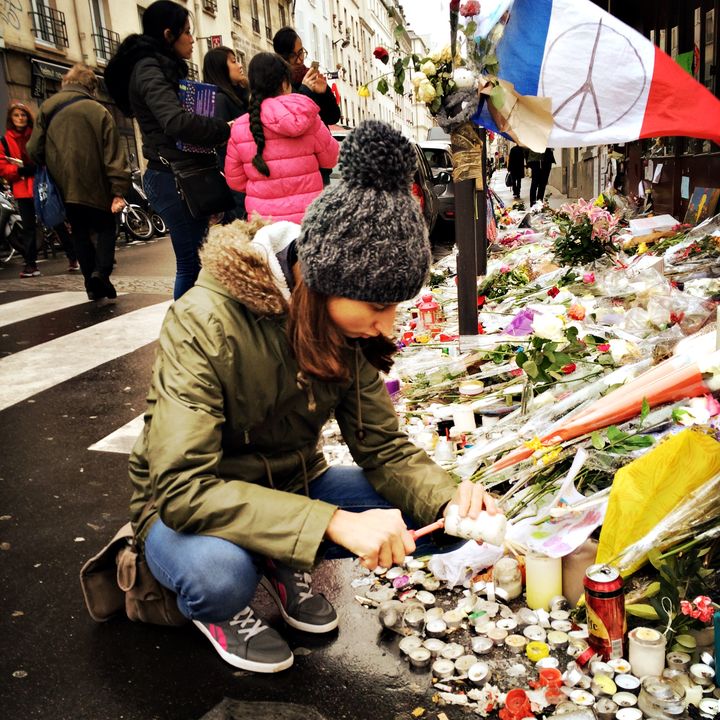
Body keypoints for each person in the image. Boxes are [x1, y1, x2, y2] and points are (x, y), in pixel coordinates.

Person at [128, 121, 497, 674]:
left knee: (445, 527)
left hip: (289, 484)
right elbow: (182, 490)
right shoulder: (204, 321)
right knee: (222, 577)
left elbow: (385, 449)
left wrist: (448, 499)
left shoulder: (345, 329)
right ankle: (225, 607)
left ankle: (280, 553)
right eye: (377, 307)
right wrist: (328, 523)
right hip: (186, 510)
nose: (385, 325)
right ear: (321, 280)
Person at [104, 0, 231, 300]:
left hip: (180, 174)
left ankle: (192, 328)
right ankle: (185, 332)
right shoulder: (149, 68)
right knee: (191, 264)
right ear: (167, 34)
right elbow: (174, 121)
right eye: (187, 32)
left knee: (196, 262)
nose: (192, 39)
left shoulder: (158, 67)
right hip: (172, 178)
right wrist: (224, 129)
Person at [27, 65, 129, 300]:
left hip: (64, 186)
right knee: (106, 228)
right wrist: (118, 189)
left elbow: (33, 149)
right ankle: (101, 273)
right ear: (90, 87)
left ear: (66, 82)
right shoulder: (99, 111)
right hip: (97, 185)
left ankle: (90, 284)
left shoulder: (47, 108)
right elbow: (113, 155)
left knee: (80, 233)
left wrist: (51, 161)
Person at [224, 52, 339, 223]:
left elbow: (235, 181)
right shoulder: (308, 117)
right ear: (285, 83)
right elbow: (331, 158)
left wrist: (263, 185)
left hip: (264, 225)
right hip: (308, 222)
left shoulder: (240, 127)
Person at [273, 26, 340, 186]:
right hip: (295, 166)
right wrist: (305, 90)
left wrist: (324, 93)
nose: (300, 60)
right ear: (282, 58)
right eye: (293, 56)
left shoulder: (311, 76)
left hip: (319, 163)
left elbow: (333, 117)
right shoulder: (277, 84)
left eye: (301, 52)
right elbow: (293, 122)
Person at [202, 46, 249, 223]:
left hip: (241, 176)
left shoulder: (237, 95)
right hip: (235, 179)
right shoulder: (221, 100)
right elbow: (223, 144)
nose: (240, 65)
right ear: (221, 69)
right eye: (234, 61)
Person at [0, 103, 40, 278]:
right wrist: (20, 171)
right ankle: (31, 264)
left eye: (23, 115)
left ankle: (72, 255)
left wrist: (37, 167)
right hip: (22, 189)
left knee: (57, 222)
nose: (20, 118)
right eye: (16, 115)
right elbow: (2, 166)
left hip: (40, 185)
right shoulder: (5, 141)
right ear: (11, 119)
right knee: (29, 227)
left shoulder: (36, 136)